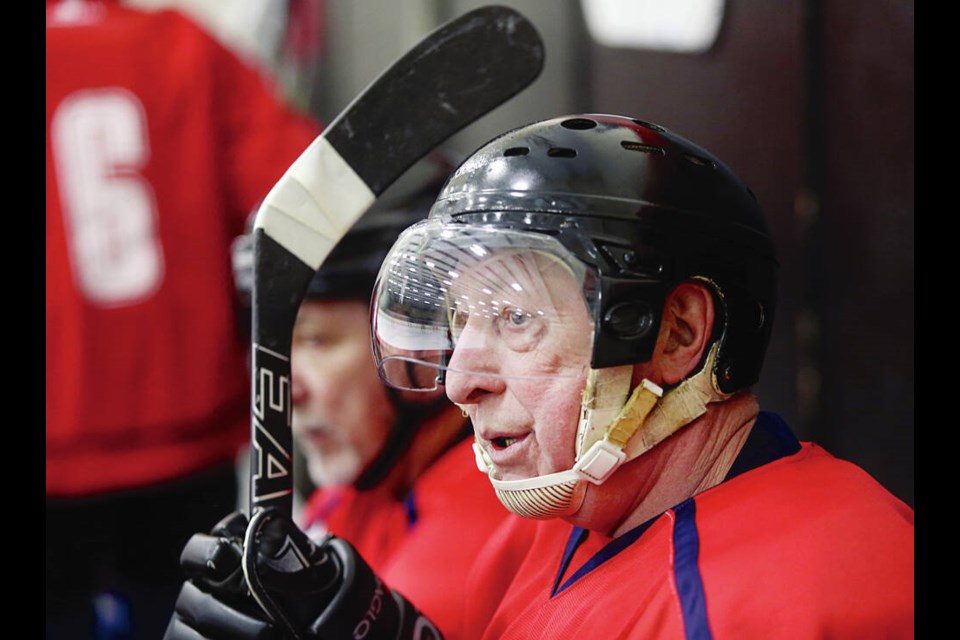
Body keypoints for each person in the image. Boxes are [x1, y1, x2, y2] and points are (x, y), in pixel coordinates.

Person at [164, 114, 915, 639]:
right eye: (461, 325)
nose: (460, 381)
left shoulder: (790, 606)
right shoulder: (581, 520)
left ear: (677, 334)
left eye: (517, 320)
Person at [46, 1, 322, 638]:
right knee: (181, 618)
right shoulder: (186, 47)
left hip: (61, 435)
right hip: (183, 423)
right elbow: (301, 191)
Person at [228, 154, 516, 638]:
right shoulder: (356, 491)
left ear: (430, 340)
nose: (287, 389)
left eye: (317, 340)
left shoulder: (490, 514)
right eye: (276, 347)